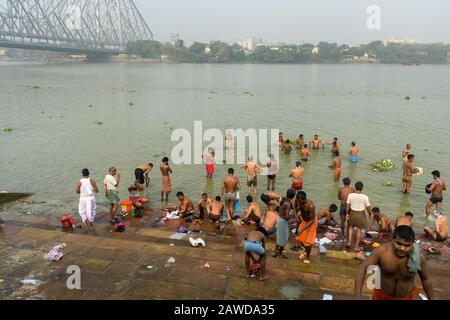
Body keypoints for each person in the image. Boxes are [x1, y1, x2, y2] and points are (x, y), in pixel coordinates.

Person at [355, 226, 434, 300]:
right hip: (381, 296)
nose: (402, 248)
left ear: (413, 243)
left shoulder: (418, 258)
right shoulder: (381, 252)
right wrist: (357, 295)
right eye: (399, 244)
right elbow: (363, 268)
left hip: (405, 297)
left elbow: (425, 279)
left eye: (407, 245)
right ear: (393, 240)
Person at [346, 181, 372, 251]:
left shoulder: (350, 195)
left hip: (352, 213)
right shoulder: (365, 197)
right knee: (359, 230)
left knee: (351, 227)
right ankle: (356, 247)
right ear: (362, 188)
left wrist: (347, 214)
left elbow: (347, 206)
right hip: (360, 214)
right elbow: (368, 208)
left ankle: (349, 242)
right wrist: (370, 214)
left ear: (355, 187)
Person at [271, 189, 296, 259]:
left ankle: (276, 250)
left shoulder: (284, 199)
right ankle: (280, 254)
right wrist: (294, 214)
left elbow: (279, 210)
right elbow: (287, 217)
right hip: (283, 221)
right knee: (283, 237)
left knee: (279, 235)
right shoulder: (288, 204)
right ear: (293, 196)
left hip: (279, 219)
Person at [295, 191, 318, 263]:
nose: (298, 203)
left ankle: (308, 256)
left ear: (303, 200)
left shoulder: (310, 206)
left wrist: (301, 230)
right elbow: (296, 208)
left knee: (308, 242)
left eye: (300, 202)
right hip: (303, 220)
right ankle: (306, 250)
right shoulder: (297, 201)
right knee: (300, 239)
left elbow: (311, 220)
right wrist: (298, 218)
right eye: (298, 201)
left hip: (311, 223)